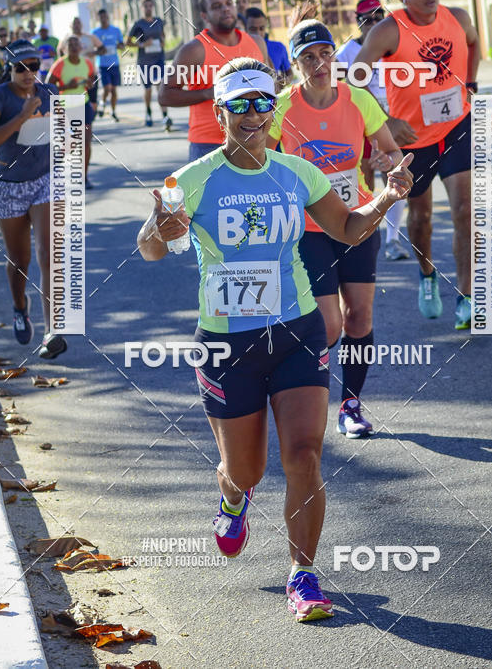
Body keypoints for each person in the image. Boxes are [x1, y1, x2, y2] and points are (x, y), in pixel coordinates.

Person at [137, 57, 413, 621]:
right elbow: (150, 248)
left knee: (305, 455)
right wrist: (157, 231)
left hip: (298, 330)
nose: (252, 116)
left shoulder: (296, 173)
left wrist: (386, 196)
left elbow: (346, 229)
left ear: (274, 109)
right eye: (238, 105)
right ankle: (233, 496)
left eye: (262, 103)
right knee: (247, 470)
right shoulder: (189, 181)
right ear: (218, 112)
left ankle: (304, 574)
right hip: (227, 344)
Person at [268, 16, 402, 437]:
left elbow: (394, 157)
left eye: (325, 54)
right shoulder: (283, 107)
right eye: (308, 57)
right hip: (308, 229)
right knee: (330, 325)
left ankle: (350, 405)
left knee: (359, 318)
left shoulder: (358, 100)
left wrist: (386, 166)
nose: (319, 64)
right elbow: (259, 161)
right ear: (295, 64)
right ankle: (299, 393)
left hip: (358, 220)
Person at [358, 0, 480, 330]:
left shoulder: (456, 17)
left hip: (456, 126)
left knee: (463, 210)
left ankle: (466, 295)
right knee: (422, 217)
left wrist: (470, 81)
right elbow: (355, 77)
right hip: (414, 140)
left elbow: (474, 42)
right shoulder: (388, 30)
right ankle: (427, 277)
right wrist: (386, 120)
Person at [0, 39, 66, 358]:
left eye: (34, 66)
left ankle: (51, 330)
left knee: (48, 252)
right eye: (21, 67)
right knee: (20, 262)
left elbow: (65, 131)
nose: (29, 73)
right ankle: (20, 307)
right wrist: (22, 118)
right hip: (9, 185)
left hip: (44, 180)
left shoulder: (49, 92)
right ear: (9, 69)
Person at [337, 0, 409, 261]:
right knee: (363, 183)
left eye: (380, 17)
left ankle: (391, 240)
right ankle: (363, 238)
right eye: (368, 19)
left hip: (391, 122)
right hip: (360, 125)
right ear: (359, 22)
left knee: (396, 177)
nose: (375, 23)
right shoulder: (345, 54)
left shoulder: (391, 46)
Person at [159, 0, 268, 160]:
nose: (225, 9)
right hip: (209, 145)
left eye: (228, 3)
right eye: (216, 6)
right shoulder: (194, 50)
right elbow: (165, 95)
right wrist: (208, 93)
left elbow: (271, 85)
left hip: (252, 139)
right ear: (204, 16)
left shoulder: (257, 43)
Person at [47, 36, 95, 188]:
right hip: (66, 107)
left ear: (81, 47)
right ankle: (53, 176)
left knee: (86, 143)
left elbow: (92, 81)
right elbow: (48, 85)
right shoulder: (60, 64)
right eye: (70, 44)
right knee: (67, 145)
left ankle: (84, 178)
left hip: (84, 104)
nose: (74, 46)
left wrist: (89, 84)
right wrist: (65, 87)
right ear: (64, 48)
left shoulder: (87, 63)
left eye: (76, 44)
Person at [127, 0, 171, 129]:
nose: (148, 8)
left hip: (159, 59)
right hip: (144, 62)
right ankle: (148, 112)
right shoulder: (138, 24)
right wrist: (142, 44)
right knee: (148, 89)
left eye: (150, 6)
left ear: (153, 7)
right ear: (142, 8)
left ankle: (165, 116)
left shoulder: (158, 21)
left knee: (161, 86)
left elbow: (162, 35)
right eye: (145, 6)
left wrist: (163, 42)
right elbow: (128, 42)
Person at [58, 17, 105, 116]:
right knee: (76, 105)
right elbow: (59, 51)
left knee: (92, 100)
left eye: (78, 23)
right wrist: (64, 63)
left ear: (82, 25)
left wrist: (94, 52)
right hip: (71, 77)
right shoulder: (66, 39)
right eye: (74, 23)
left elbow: (103, 49)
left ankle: (90, 118)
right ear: (70, 25)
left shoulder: (90, 37)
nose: (76, 25)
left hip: (89, 74)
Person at [245, 6, 293, 86]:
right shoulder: (238, 49)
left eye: (262, 28)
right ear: (245, 28)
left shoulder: (278, 47)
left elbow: (289, 74)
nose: (258, 33)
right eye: (253, 29)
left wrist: (282, 82)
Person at [91, 9, 124, 121]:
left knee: (114, 90)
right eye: (101, 17)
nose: (103, 19)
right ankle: (103, 102)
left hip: (114, 64)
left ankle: (113, 111)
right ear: (98, 18)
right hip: (102, 65)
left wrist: (120, 46)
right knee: (107, 88)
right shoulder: (95, 32)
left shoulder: (116, 30)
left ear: (108, 17)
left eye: (105, 16)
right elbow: (92, 49)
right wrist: (99, 51)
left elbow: (121, 44)